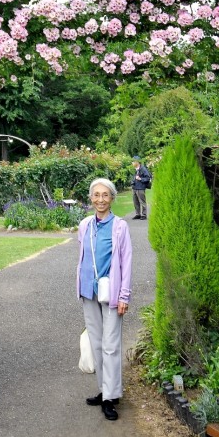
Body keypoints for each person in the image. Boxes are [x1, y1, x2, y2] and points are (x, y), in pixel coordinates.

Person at [76, 178, 132, 421]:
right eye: (96, 195)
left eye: (105, 195)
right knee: (96, 343)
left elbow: (126, 262)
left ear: (112, 199)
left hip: (111, 293)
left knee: (110, 346)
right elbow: (83, 257)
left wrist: (124, 296)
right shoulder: (85, 225)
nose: (100, 199)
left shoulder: (120, 227)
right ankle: (104, 389)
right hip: (89, 291)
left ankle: (111, 397)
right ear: (91, 198)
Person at [131, 155, 151, 220]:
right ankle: (138, 214)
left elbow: (148, 178)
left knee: (142, 202)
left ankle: (144, 215)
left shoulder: (143, 169)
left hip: (141, 188)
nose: (132, 163)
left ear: (137, 162)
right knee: (135, 202)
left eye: (133, 161)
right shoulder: (134, 169)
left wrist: (140, 179)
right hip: (135, 188)